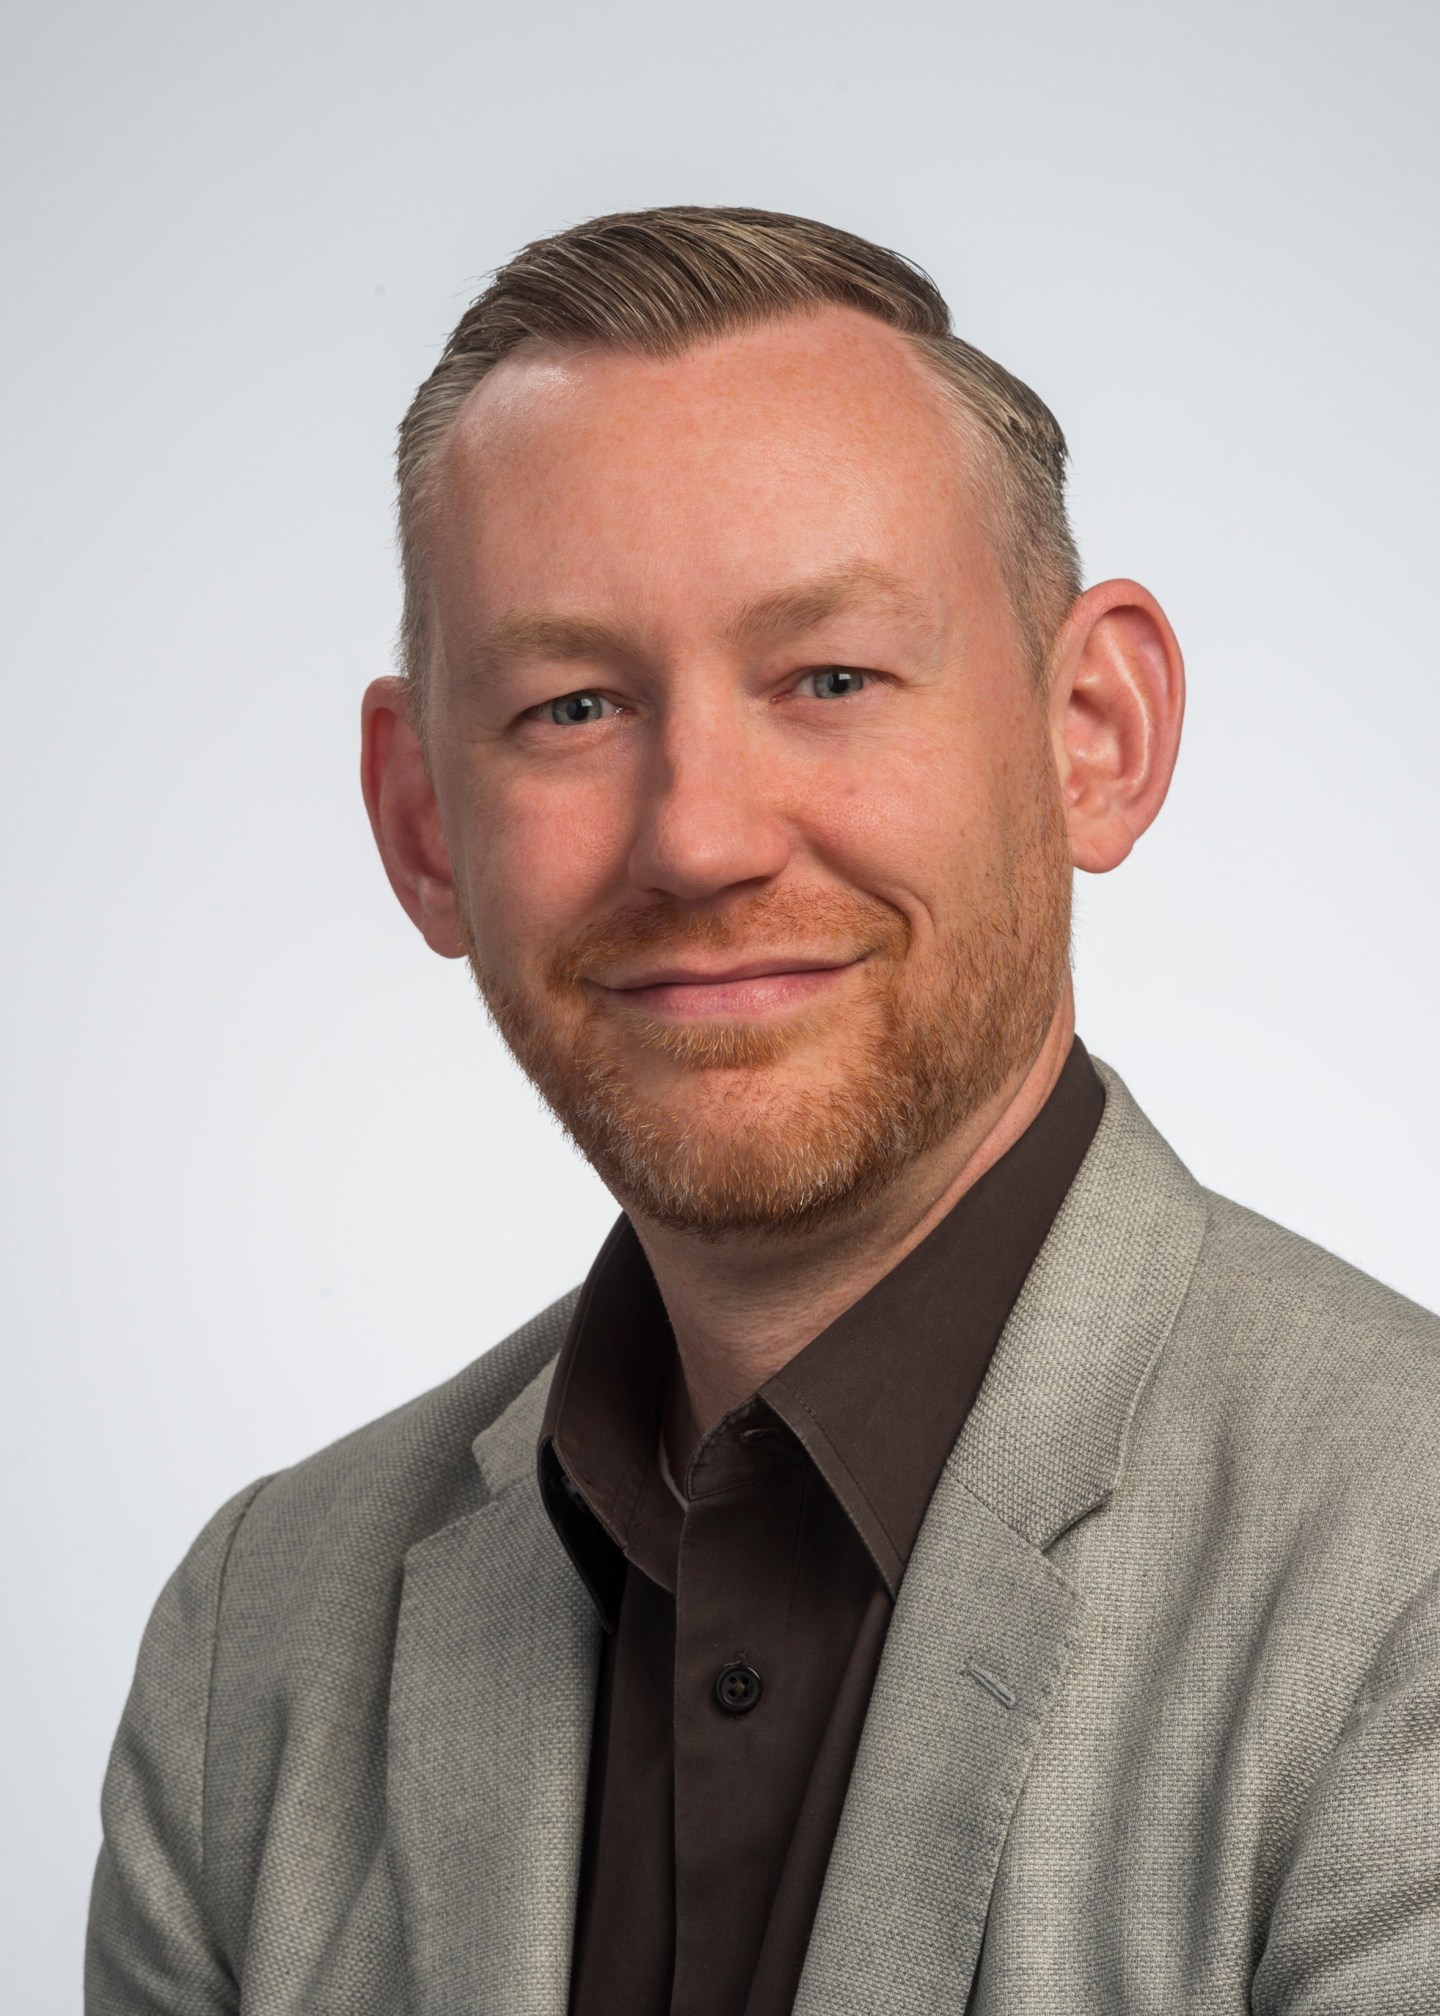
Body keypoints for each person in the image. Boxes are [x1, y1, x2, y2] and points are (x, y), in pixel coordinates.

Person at [86, 207, 1440, 2015]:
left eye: (829, 679)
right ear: (422, 826)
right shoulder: (253, 1649)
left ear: (1094, 732)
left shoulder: (1407, 1575)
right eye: (573, 706)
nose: (700, 838)